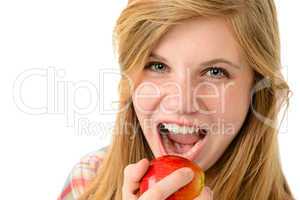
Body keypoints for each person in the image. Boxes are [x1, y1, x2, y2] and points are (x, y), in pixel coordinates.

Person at [58, 0, 295, 199]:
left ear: (256, 89)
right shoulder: (87, 182)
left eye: (215, 72)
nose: (181, 103)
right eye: (157, 66)